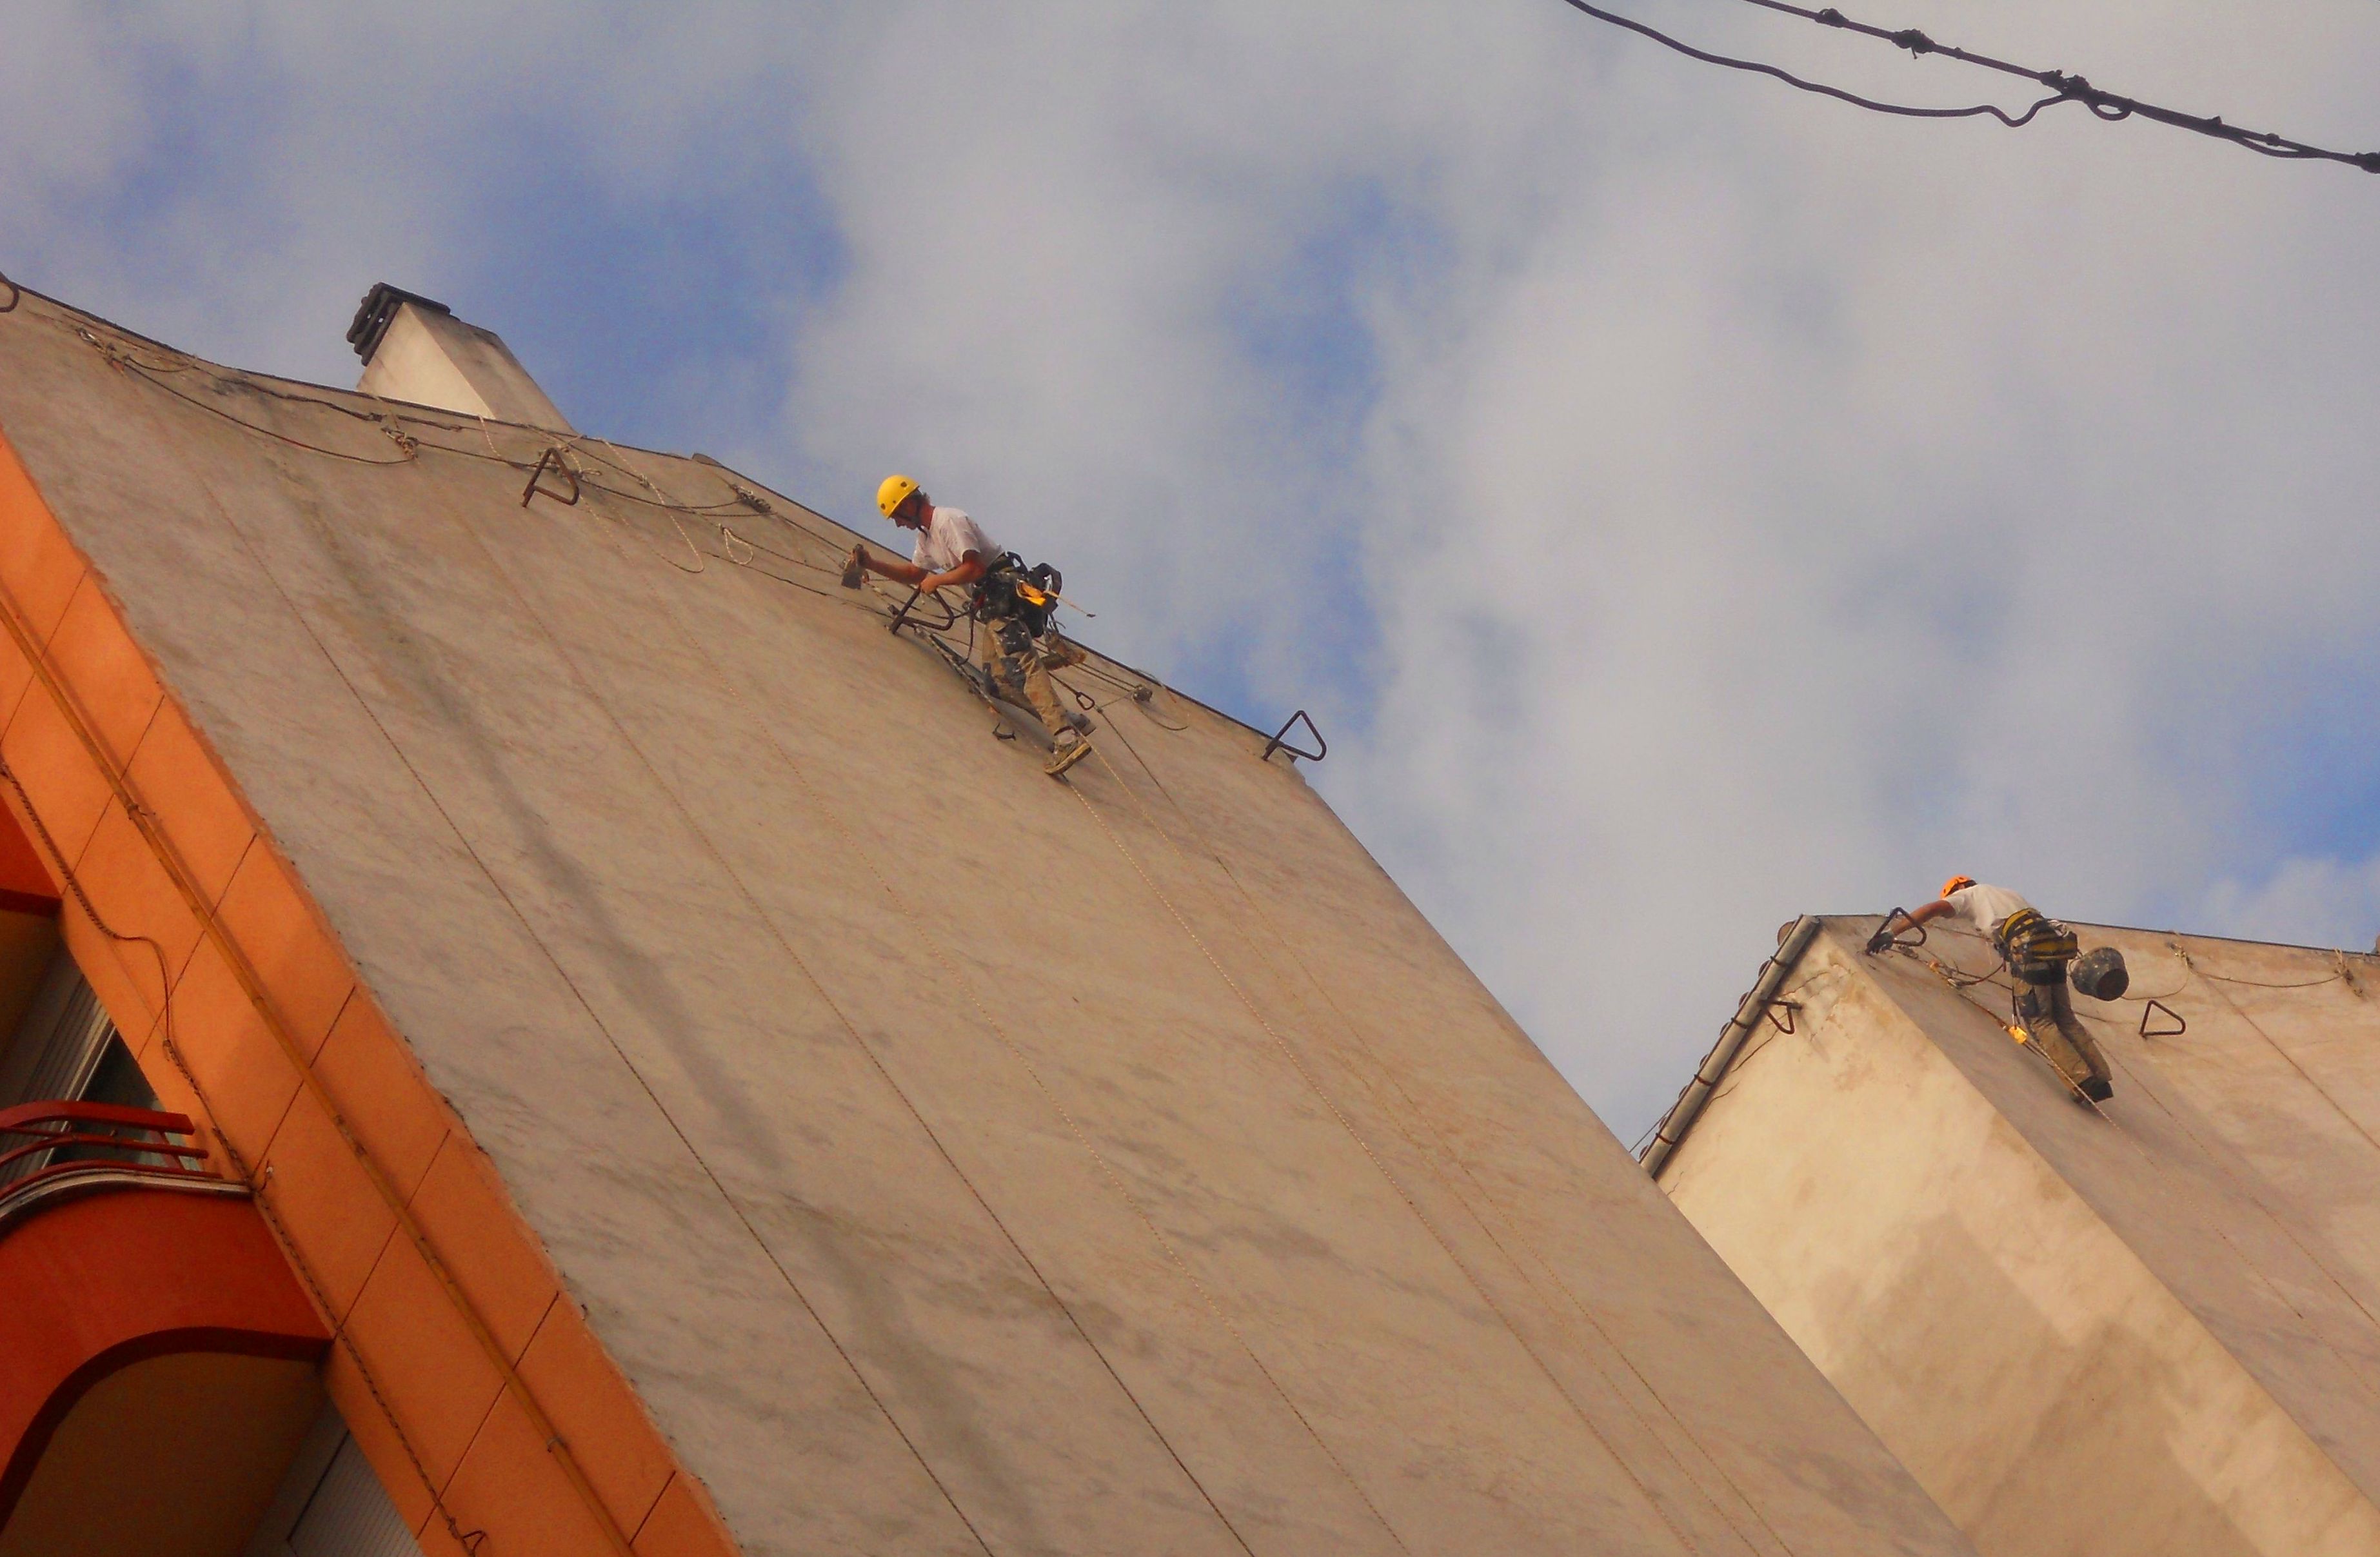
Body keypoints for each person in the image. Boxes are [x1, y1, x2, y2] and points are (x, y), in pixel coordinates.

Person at [846, 475, 1093, 776]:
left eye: (897, 515)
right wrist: (872, 564)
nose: (898, 524)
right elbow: (914, 573)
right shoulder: (926, 539)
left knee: (1020, 662)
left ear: (910, 503)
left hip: (1004, 594)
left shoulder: (949, 520)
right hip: (990, 605)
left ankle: (1066, 737)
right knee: (997, 683)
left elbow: (974, 567)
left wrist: (937, 579)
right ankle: (1069, 720)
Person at [1871, 877, 2114, 1102]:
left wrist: (1892, 933)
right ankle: (2101, 1076)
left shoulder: (1967, 896)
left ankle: (2083, 1081)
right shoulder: (2005, 893)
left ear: (1958, 889)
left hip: (2029, 948)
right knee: (2065, 1017)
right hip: (2053, 947)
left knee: (2040, 1020)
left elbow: (1932, 909)